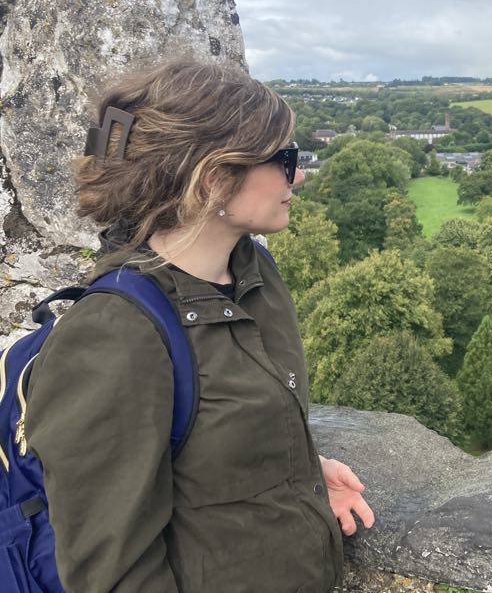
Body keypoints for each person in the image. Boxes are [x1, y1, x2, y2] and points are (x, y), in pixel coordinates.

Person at [25, 59, 373, 592]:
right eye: (284, 159)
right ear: (214, 180)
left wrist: (296, 474)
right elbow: (112, 574)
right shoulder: (115, 336)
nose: (298, 175)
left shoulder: (254, 273)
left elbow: (213, 438)